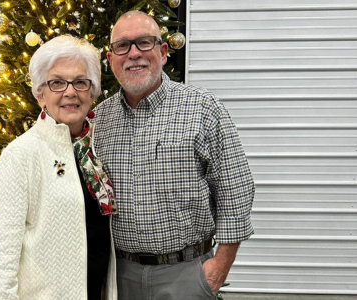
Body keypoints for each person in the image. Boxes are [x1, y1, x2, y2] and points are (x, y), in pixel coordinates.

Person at [91, 11, 255, 300]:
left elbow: (235, 189)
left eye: (144, 42)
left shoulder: (203, 108)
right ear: (110, 57)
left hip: (188, 276)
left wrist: (218, 269)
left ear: (163, 51)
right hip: (119, 276)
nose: (133, 54)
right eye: (122, 46)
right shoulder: (99, 120)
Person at [0, 35, 118, 300]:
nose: (70, 92)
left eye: (80, 82)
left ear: (92, 92)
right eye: (57, 82)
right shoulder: (21, 155)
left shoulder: (95, 150)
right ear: (40, 95)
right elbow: (2, 253)